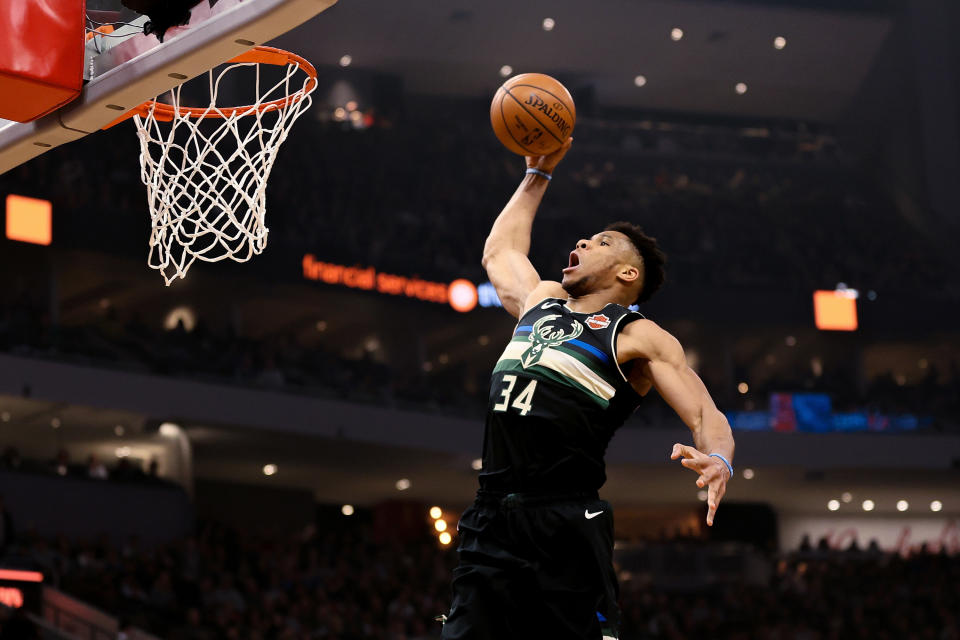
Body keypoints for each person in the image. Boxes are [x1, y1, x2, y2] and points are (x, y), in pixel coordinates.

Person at [440, 139, 735, 640]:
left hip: (565, 519)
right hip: (489, 516)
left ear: (627, 273)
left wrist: (720, 460)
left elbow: (707, 416)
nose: (580, 243)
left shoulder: (637, 335)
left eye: (599, 242)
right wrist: (537, 175)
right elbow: (502, 251)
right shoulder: (543, 300)